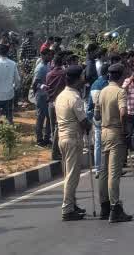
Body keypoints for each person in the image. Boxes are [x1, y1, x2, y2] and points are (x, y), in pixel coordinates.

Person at [97, 63, 133, 222]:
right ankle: (115, 207)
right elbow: (123, 113)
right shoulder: (120, 92)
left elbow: (97, 115)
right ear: (120, 76)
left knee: (103, 171)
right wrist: (125, 130)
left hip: (103, 131)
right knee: (114, 172)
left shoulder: (102, 92)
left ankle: (104, 205)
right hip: (116, 132)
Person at [55, 65, 89, 221]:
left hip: (62, 138)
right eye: (82, 76)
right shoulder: (75, 98)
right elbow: (84, 122)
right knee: (72, 175)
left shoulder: (61, 96)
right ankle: (67, 209)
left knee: (68, 173)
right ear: (76, 79)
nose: (84, 79)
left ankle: (72, 204)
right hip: (73, 138)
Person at [0, 44, 20, 124]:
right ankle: (10, 131)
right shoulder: (13, 63)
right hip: (9, 94)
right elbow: (17, 79)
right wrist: (16, 87)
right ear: (8, 52)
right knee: (9, 117)